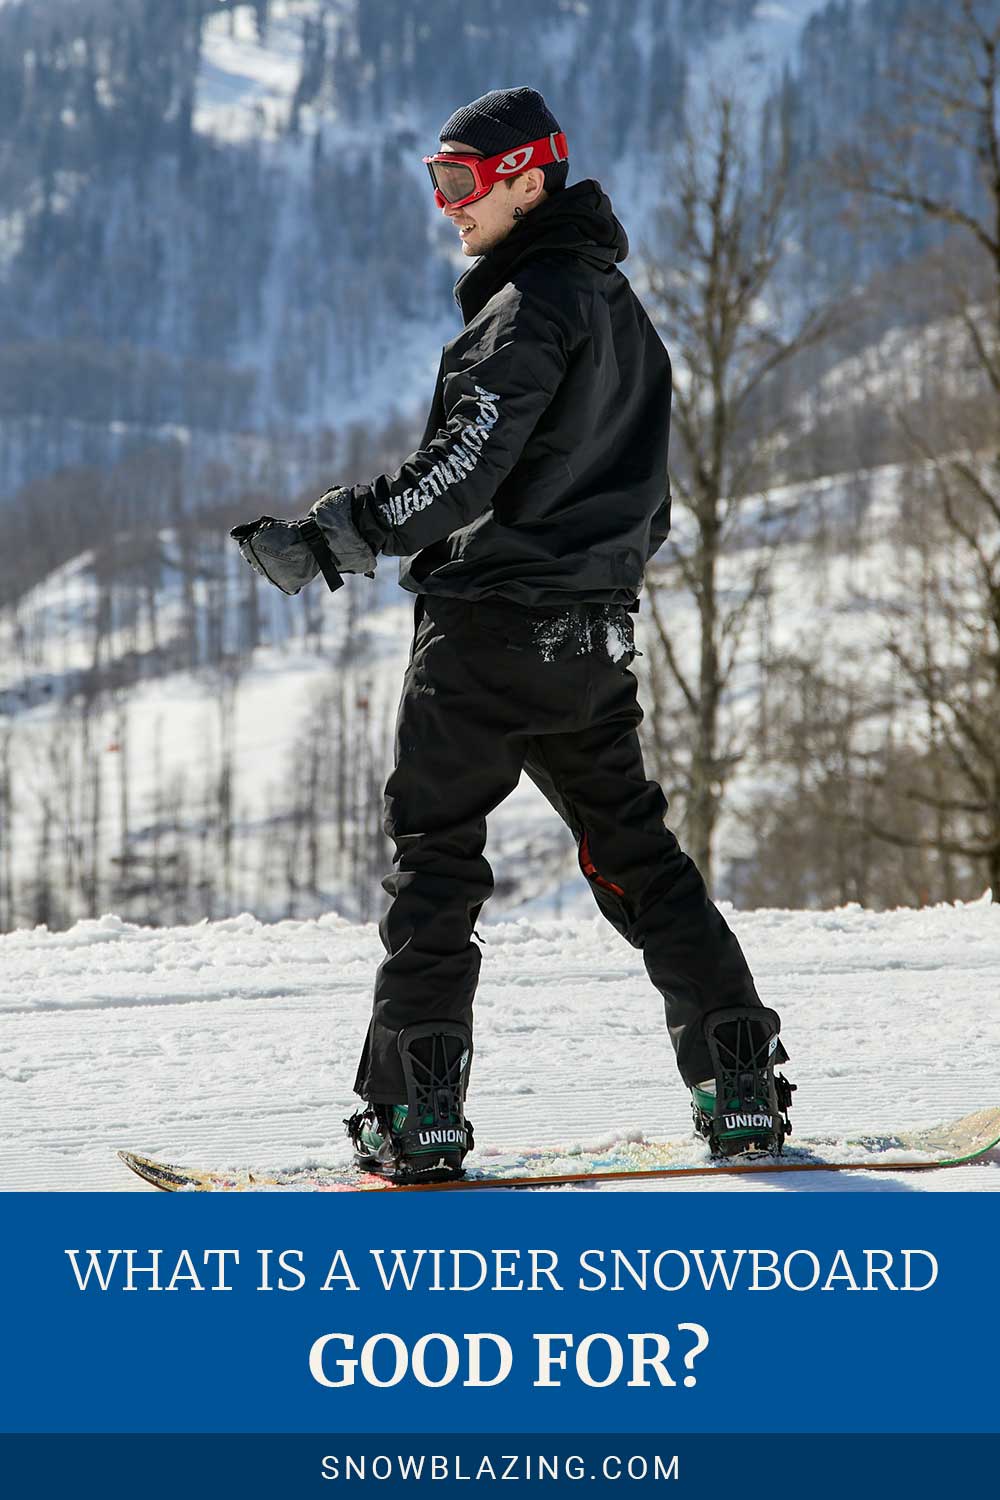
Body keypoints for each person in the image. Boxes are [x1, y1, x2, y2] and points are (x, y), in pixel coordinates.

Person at [232, 87, 794, 1182]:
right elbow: (653, 505)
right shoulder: (621, 312)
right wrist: (594, 590)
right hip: (589, 646)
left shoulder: (528, 308)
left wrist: (339, 534)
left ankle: (416, 1114)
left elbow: (461, 473)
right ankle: (739, 1090)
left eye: (461, 183)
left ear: (530, 179)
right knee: (638, 857)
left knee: (437, 864)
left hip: (486, 638)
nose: (448, 207)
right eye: (436, 183)